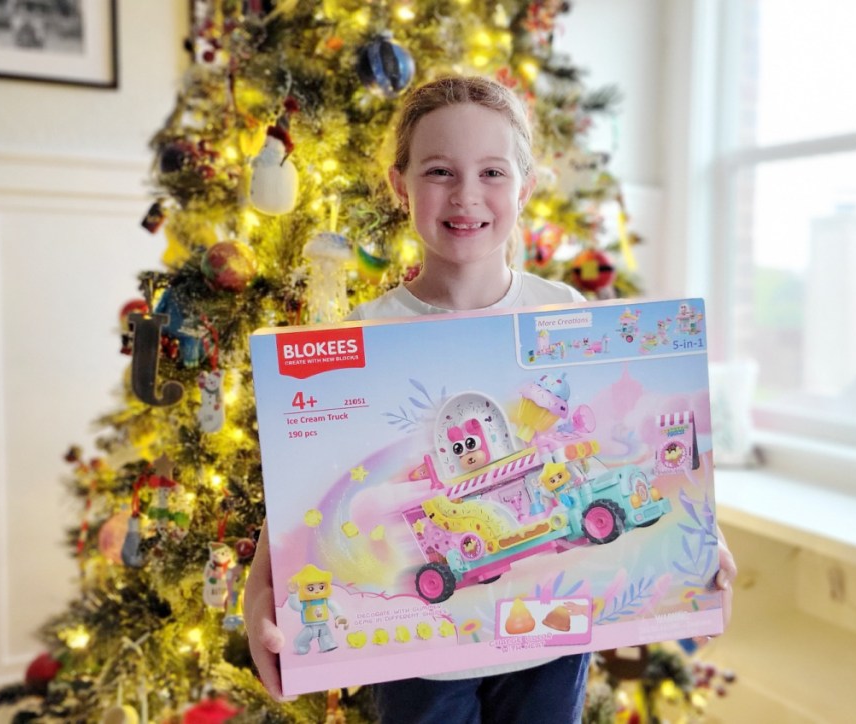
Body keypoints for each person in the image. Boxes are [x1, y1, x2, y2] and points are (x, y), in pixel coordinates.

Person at [244, 74, 738, 723]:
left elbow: (633, 444)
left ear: (526, 188)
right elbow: (305, 493)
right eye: (440, 171)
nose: (466, 195)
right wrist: (260, 598)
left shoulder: (564, 312)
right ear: (401, 184)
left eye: (493, 173)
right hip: (420, 659)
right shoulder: (362, 334)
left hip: (549, 642)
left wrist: (702, 544)